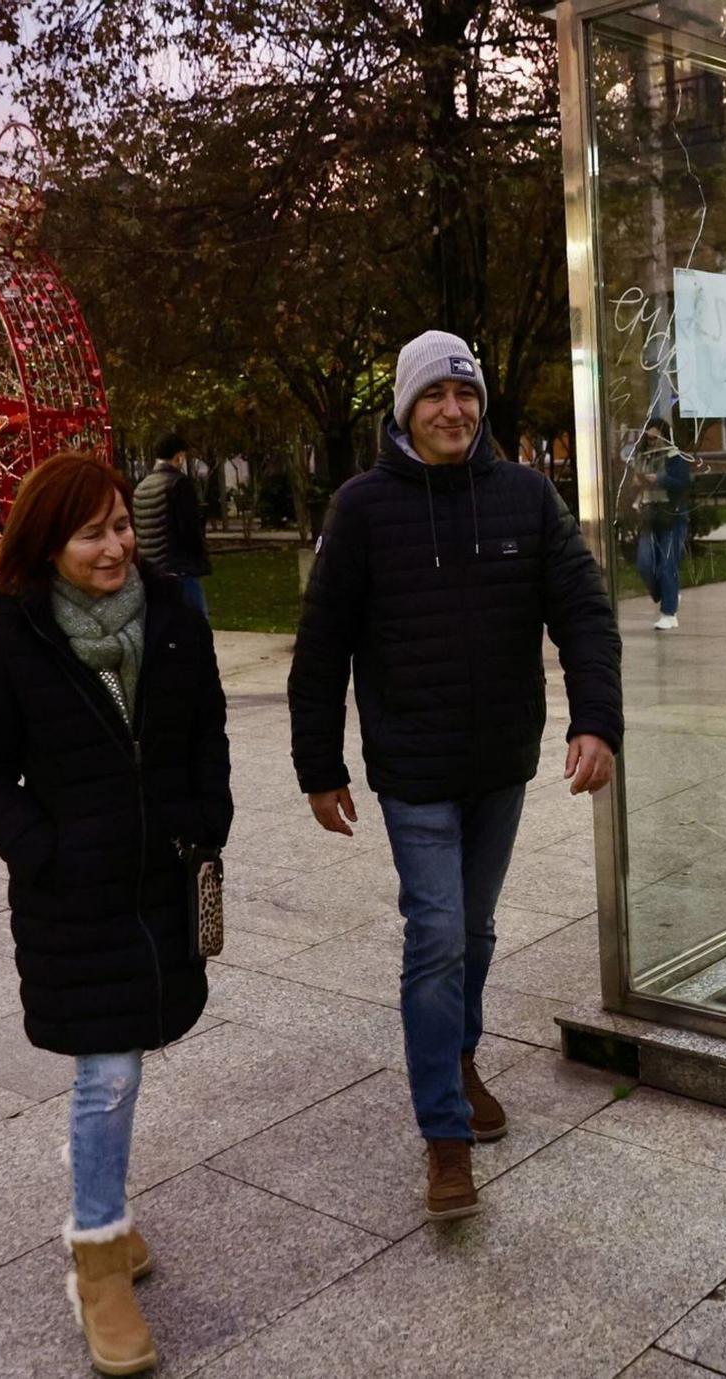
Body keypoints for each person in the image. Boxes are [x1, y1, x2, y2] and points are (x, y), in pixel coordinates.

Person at [289, 330, 623, 1222]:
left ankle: (459, 1052)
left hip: (501, 761)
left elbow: (585, 612)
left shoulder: (524, 496)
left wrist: (596, 718)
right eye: (434, 395)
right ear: (406, 408)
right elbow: (321, 647)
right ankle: (445, 1138)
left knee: (473, 930)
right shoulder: (361, 509)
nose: (453, 410)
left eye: (465, 394)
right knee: (436, 933)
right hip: (413, 768)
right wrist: (318, 766)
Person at [0, 450, 232, 1376]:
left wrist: (203, 817)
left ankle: (108, 1215)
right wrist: (43, 852)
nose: (114, 547)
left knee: (134, 1051)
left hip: (159, 879)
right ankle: (96, 1250)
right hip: (75, 896)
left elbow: (207, 732)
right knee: (106, 1072)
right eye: (90, 532)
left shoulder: (177, 621)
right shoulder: (9, 646)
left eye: (119, 526)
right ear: (47, 543)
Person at [132, 431, 212, 617]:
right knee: (197, 625)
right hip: (180, 568)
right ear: (179, 456)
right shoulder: (179, 484)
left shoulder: (142, 487)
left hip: (152, 570)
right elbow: (189, 531)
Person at [633, 419, 692, 631]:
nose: (651, 441)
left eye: (655, 437)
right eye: (648, 437)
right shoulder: (642, 456)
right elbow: (634, 481)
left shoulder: (674, 456)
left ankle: (669, 613)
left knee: (668, 565)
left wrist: (659, 479)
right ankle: (668, 593)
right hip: (650, 513)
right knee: (644, 562)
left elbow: (683, 482)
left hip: (672, 515)